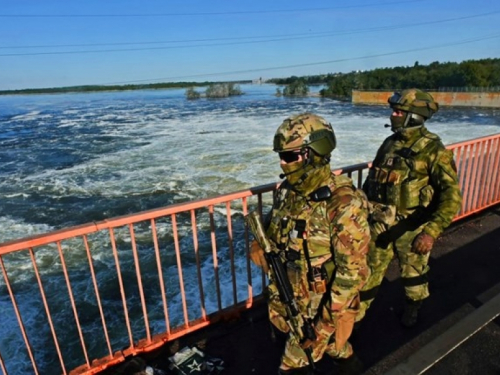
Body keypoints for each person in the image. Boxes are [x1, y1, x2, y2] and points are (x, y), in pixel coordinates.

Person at [249, 113, 371, 374]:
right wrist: (259, 244)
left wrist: (322, 327)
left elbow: (352, 275)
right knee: (336, 349)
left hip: (320, 310)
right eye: (281, 156)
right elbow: (274, 230)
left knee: (292, 366)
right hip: (288, 297)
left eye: (290, 156)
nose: (283, 164)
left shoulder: (342, 203)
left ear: (314, 153)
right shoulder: (288, 192)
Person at [357, 89, 462, 328]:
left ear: (413, 116)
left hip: (412, 228)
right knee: (368, 272)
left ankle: (413, 308)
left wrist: (431, 231)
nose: (393, 115)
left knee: (413, 275)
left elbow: (452, 196)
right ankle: (355, 319)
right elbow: (373, 180)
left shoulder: (434, 150)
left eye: (398, 111)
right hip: (380, 225)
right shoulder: (389, 144)